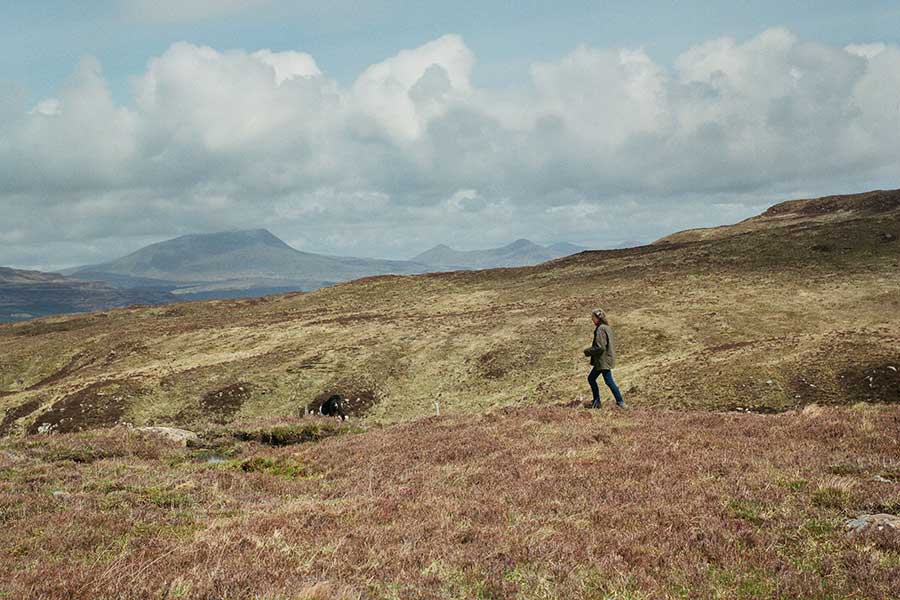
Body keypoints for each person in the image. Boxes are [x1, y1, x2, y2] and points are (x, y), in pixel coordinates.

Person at [583, 307, 626, 409]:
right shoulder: (607, 327)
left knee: (608, 381)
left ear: (597, 318)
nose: (592, 320)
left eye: (592, 317)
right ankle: (597, 402)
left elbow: (600, 347)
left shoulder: (601, 329)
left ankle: (620, 402)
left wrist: (587, 352)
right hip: (604, 360)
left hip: (602, 361)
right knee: (592, 378)